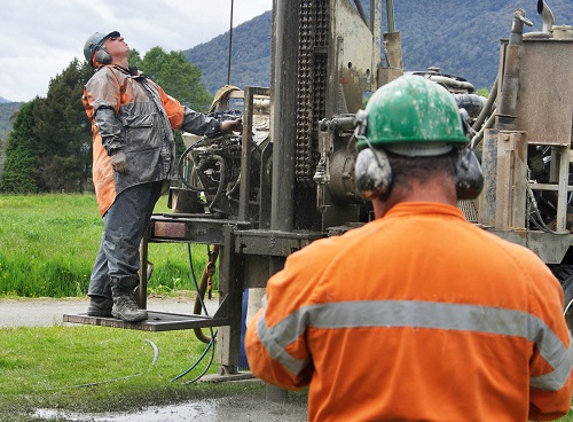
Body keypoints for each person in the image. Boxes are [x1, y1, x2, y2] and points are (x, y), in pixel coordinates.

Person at [245, 75, 573, 421]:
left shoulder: (316, 269)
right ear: (465, 168)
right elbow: (552, 398)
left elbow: (269, 362)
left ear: (369, 172)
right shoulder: (529, 277)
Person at [81, 31, 241, 322]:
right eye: (114, 38)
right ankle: (122, 300)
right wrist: (116, 152)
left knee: (119, 234)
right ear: (100, 53)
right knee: (123, 236)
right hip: (123, 172)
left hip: (148, 172)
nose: (122, 38)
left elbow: (179, 115)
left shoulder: (145, 84)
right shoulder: (106, 77)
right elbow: (104, 114)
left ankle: (99, 298)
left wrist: (219, 125)